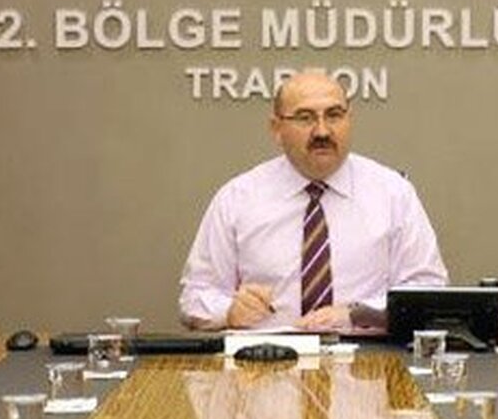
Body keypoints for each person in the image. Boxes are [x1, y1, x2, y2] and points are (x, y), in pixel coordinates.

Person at [178, 70, 448, 331]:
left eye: (334, 115)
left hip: (367, 355)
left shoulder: (393, 193)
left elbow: (428, 291)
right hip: (265, 356)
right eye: (305, 118)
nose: (322, 132)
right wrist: (229, 311)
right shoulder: (238, 198)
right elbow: (195, 297)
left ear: (349, 120)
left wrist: (358, 314)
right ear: (276, 128)